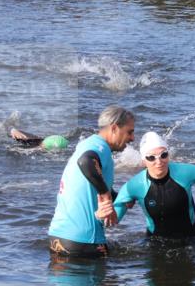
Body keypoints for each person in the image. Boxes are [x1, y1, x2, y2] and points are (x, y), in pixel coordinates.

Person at [112, 132, 195, 241]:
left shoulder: (186, 172)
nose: (159, 161)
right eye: (151, 158)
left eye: (163, 155)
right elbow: (112, 219)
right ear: (144, 161)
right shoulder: (134, 185)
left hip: (191, 240)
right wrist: (102, 214)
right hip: (156, 244)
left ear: (168, 154)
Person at [47, 105, 135, 258]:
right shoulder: (100, 148)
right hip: (84, 242)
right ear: (114, 128)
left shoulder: (87, 144)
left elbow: (93, 184)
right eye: (130, 132)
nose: (132, 138)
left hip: (57, 238)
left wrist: (120, 197)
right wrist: (106, 196)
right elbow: (86, 162)